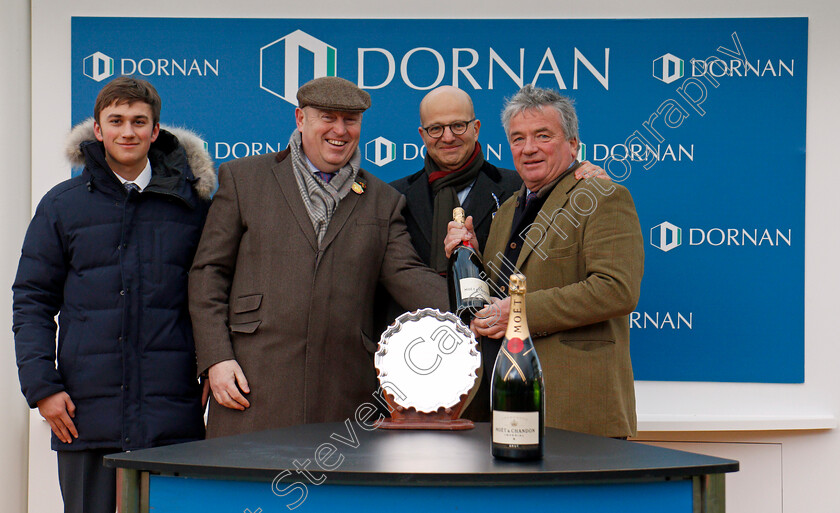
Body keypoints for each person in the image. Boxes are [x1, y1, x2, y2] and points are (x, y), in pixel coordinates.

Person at [188, 76, 448, 438]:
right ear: (300, 119)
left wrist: (479, 308)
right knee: (245, 494)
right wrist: (216, 358)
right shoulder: (244, 179)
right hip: (251, 387)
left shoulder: (382, 200)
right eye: (328, 117)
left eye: (350, 120)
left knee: (334, 497)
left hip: (342, 401)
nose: (339, 130)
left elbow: (410, 277)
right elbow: (208, 273)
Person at [13, 76, 215, 513]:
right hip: (85, 416)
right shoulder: (62, 205)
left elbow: (216, 294)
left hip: (172, 419)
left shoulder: (193, 208)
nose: (129, 131)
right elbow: (31, 300)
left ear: (156, 131)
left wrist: (212, 363)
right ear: (98, 129)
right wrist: (41, 387)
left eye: (139, 122)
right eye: (117, 120)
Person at [445, 85, 644, 438]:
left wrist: (519, 312)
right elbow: (500, 296)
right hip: (506, 409)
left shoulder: (603, 195)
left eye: (543, 135)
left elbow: (616, 290)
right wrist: (471, 254)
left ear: (573, 144)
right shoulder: (507, 210)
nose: (529, 148)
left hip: (574, 411)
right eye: (518, 139)